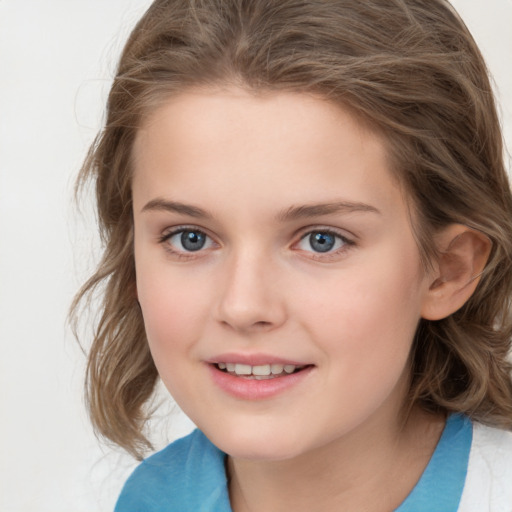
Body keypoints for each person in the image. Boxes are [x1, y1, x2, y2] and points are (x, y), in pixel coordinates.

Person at [72, 0, 512, 510]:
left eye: (321, 240)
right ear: (131, 260)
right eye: (189, 238)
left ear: (447, 270)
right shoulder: (144, 499)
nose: (243, 306)